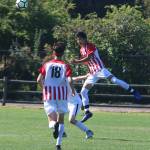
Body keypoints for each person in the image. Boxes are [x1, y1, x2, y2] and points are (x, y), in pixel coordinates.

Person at [72, 31, 142, 123]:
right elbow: (87, 62)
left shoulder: (90, 45)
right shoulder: (81, 49)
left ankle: (133, 91)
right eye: (77, 39)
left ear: (84, 38)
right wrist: (82, 65)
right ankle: (87, 112)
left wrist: (77, 61)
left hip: (100, 69)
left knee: (114, 80)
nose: (78, 40)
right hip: (92, 73)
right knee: (83, 92)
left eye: (79, 38)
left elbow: (89, 58)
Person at [37, 41, 75, 150]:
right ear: (62, 54)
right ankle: (58, 145)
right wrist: (72, 90)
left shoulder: (46, 65)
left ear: (54, 52)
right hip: (62, 95)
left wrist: (44, 87)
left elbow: (39, 79)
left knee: (51, 121)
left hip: (49, 94)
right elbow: (70, 80)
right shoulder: (65, 66)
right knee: (61, 119)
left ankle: (54, 125)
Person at [67, 74, 94, 139]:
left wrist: (85, 76)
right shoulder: (55, 82)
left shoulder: (66, 79)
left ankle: (88, 131)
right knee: (57, 116)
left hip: (74, 103)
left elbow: (75, 78)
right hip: (67, 103)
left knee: (71, 120)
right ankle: (61, 133)